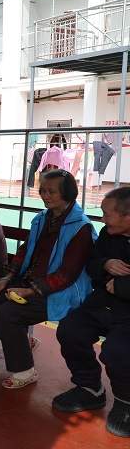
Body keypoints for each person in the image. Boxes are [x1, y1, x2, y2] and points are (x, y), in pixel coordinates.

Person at [0, 170, 95, 390]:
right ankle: (23, 341)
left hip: (61, 291)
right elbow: (24, 251)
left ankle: (25, 370)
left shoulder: (81, 227)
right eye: (42, 190)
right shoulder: (42, 218)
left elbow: (67, 275)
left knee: (9, 312)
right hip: (32, 283)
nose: (45, 196)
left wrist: (30, 291)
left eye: (51, 191)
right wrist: (6, 278)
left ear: (67, 193)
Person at [52, 187, 130, 437]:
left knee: (117, 351)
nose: (102, 219)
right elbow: (92, 265)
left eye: (108, 214)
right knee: (70, 329)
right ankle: (90, 387)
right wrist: (106, 264)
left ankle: (126, 402)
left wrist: (122, 286)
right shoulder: (108, 234)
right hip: (103, 303)